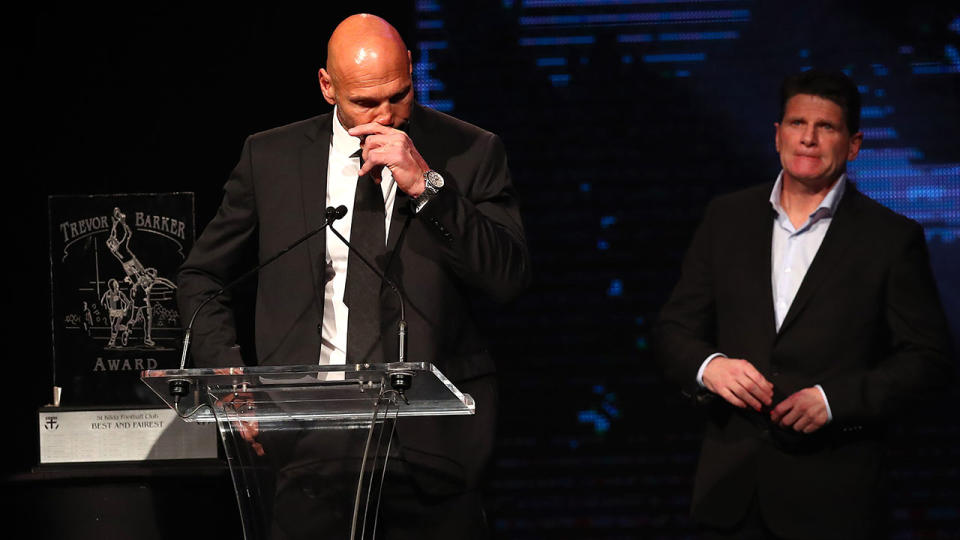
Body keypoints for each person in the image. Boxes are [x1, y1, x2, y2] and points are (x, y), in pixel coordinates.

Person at [177, 13, 531, 539]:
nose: (386, 115)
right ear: (327, 86)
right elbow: (202, 276)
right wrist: (233, 381)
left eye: (400, 94)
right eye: (366, 102)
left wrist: (428, 187)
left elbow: (507, 278)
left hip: (433, 448)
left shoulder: (472, 151)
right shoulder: (270, 157)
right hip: (308, 440)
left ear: (412, 67)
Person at [653, 70, 953, 539]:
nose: (808, 139)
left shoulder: (890, 239)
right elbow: (674, 328)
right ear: (777, 135)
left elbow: (929, 358)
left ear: (853, 145)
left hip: (833, 498)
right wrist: (709, 366)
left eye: (826, 127)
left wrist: (836, 402)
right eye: (796, 123)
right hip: (731, 494)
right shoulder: (726, 218)